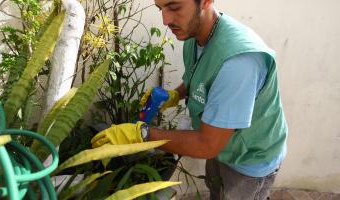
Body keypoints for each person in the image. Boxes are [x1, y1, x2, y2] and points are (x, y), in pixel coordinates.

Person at [91, 0, 288, 199]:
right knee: (216, 191)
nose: (165, 20)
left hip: (250, 159)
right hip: (223, 145)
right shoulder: (195, 37)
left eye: (174, 7)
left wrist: (143, 134)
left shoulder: (239, 63)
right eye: (160, 9)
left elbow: (207, 144)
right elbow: (199, 77)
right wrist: (175, 94)